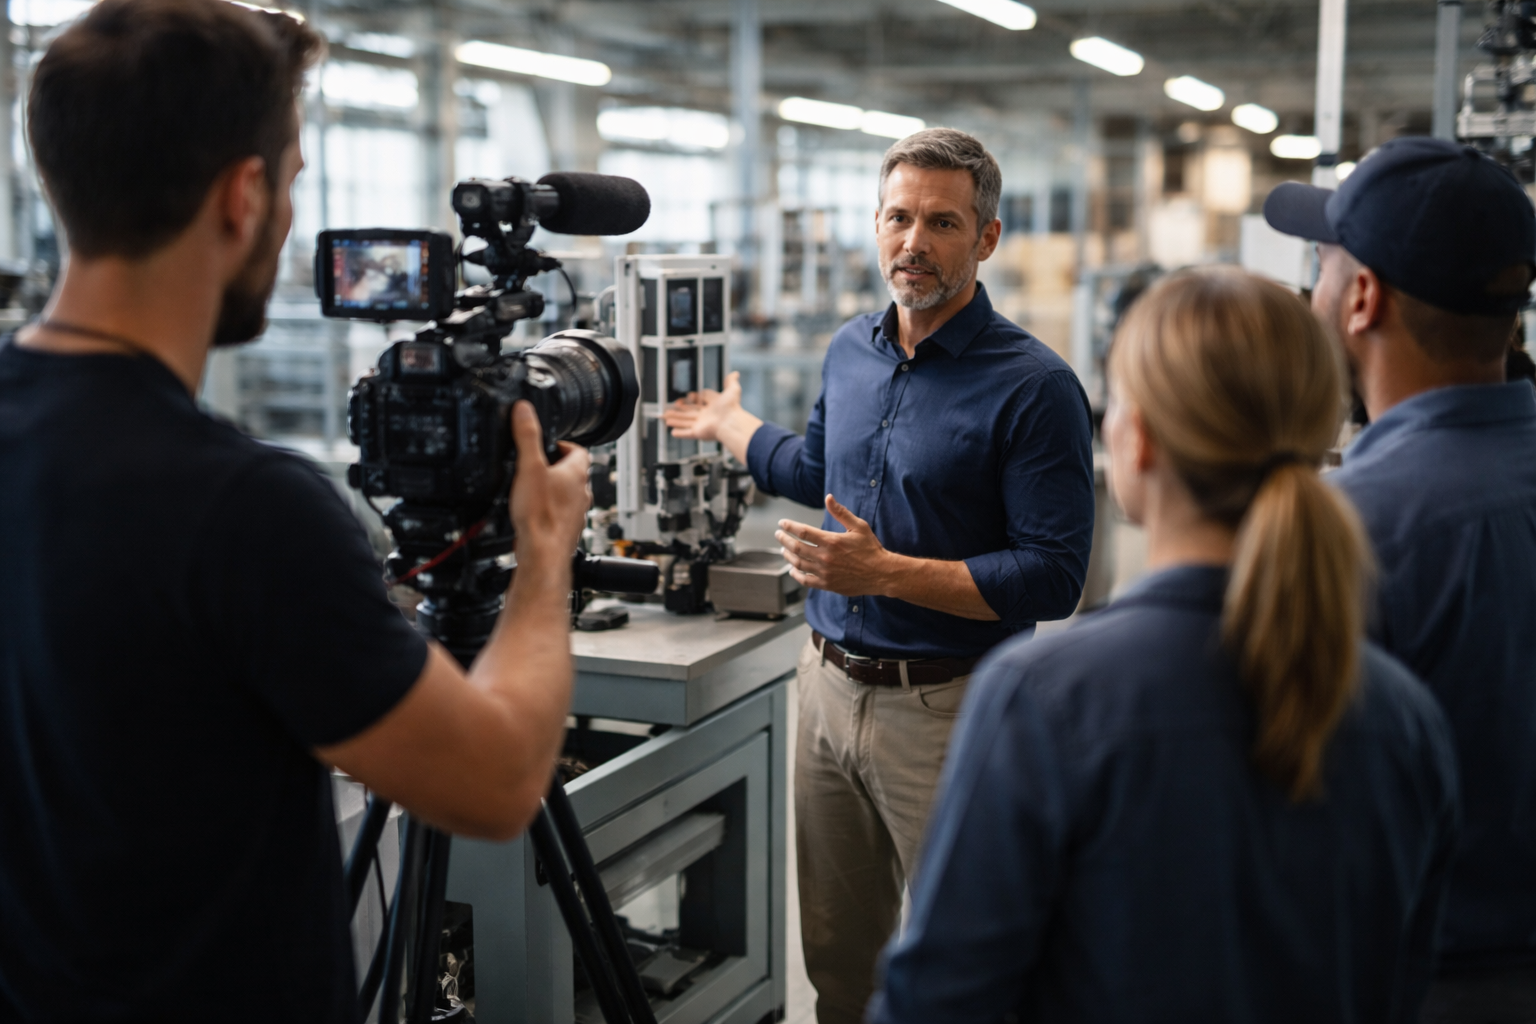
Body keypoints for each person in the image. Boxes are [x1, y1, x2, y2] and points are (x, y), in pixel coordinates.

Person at [0, 2, 591, 1020]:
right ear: (243, 196)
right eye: (294, 185)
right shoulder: (246, 512)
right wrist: (543, 555)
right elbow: (495, 785)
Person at [868, 267, 1460, 1024]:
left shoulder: (1046, 700)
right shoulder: (1404, 716)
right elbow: (1404, 984)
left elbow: (939, 1003)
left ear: (1137, 441)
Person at [664, 127, 1095, 1024]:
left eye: (942, 222)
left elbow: (1052, 578)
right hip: (823, 691)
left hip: (947, 709)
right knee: (838, 954)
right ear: (876, 224)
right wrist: (736, 427)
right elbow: (818, 465)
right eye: (899, 217)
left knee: (963, 967)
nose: (914, 242)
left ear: (986, 239)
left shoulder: (1034, 386)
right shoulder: (850, 351)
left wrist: (885, 573)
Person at [1265, 137, 1536, 1022]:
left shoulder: (1351, 532)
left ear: (1363, 299)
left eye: (1322, 267)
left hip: (1419, 982)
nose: (1313, 291)